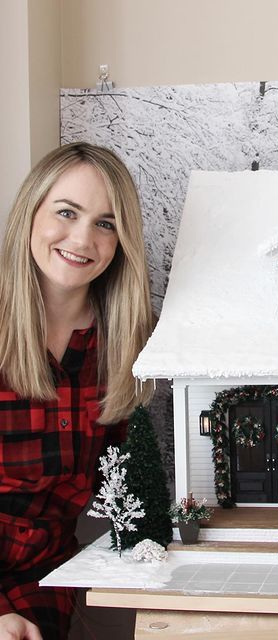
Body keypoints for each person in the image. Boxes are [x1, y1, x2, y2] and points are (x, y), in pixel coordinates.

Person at [0, 142, 154, 640]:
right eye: (67, 212)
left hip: (43, 583)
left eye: (105, 223)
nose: (82, 238)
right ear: (30, 214)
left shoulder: (126, 349)